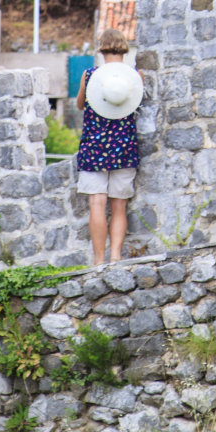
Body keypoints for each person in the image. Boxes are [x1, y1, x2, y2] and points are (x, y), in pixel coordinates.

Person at [75, 28, 143, 265]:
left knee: (97, 203)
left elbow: (80, 104)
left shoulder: (90, 75)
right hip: (124, 147)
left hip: (94, 147)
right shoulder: (135, 76)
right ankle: (115, 256)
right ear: (124, 48)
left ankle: (97, 260)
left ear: (101, 48)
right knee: (119, 206)